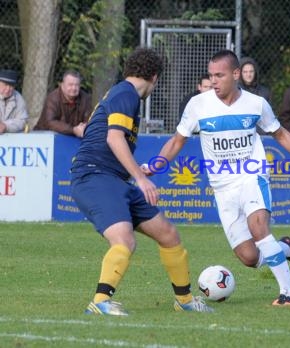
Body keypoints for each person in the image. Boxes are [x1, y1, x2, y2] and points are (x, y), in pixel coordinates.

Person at [147, 49, 290, 305]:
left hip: (252, 176)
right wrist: (156, 165)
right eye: (211, 76)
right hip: (223, 188)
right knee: (249, 257)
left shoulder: (256, 104)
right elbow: (177, 140)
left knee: (259, 228)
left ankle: (288, 294)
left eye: (219, 75)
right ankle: (285, 248)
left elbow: (280, 134)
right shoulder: (198, 105)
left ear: (235, 74)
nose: (213, 81)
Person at [70, 48, 212, 316]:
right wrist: (139, 178)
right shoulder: (127, 94)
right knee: (124, 240)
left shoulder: (120, 93)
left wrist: (136, 171)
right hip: (94, 176)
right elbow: (114, 138)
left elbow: (99, 136)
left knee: (168, 234)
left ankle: (185, 301)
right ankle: (100, 302)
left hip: (113, 178)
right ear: (154, 77)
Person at [35, 70, 92, 137]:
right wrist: (73, 130)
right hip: (46, 138)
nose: (73, 88)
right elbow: (50, 123)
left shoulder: (85, 98)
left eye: (76, 85)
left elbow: (90, 119)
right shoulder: (53, 98)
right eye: (70, 85)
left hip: (75, 137)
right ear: (62, 85)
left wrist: (84, 127)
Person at [0, 69, 28, 134]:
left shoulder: (19, 98)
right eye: (5, 85)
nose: (8, 89)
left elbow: (23, 121)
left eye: (11, 85)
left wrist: (6, 126)